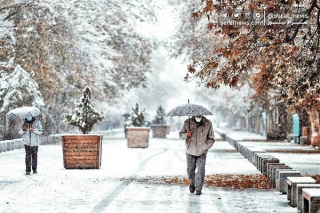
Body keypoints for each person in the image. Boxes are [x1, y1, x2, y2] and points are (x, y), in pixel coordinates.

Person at [179, 114, 215, 195]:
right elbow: (181, 135)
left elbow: (211, 138)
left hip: (202, 152)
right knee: (190, 170)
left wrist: (205, 147)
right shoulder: (187, 122)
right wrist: (186, 135)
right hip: (190, 151)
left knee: (201, 170)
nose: (198, 114)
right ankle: (192, 183)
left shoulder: (208, 123)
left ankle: (199, 189)